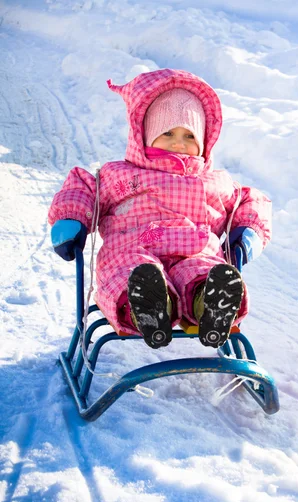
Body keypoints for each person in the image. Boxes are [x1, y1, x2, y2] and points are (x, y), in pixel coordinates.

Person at [48, 69, 271, 349]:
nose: (179, 143)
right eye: (167, 133)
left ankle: (211, 303)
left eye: (190, 136)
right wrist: (71, 218)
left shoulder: (214, 181)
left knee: (205, 270)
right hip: (134, 248)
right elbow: (83, 189)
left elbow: (250, 200)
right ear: (145, 134)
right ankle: (148, 307)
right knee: (132, 272)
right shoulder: (121, 175)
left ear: (204, 141)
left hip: (194, 250)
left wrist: (250, 229)